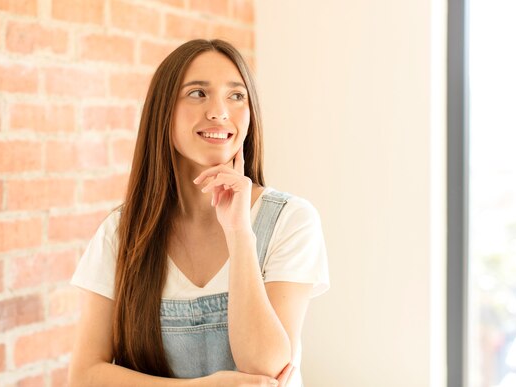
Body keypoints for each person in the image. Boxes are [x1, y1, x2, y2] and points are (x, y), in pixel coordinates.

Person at [68, 39, 329, 387]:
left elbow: (266, 367)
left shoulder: (291, 219)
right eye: (197, 93)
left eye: (237, 96)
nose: (220, 111)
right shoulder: (121, 233)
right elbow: (84, 376)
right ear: (163, 111)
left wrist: (239, 233)